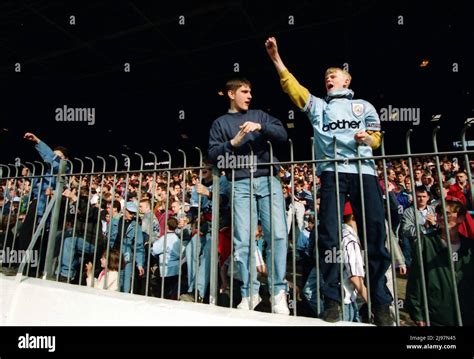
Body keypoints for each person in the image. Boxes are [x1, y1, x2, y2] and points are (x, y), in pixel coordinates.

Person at [265, 36, 393, 325]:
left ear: (346, 81)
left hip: (365, 174)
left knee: (375, 236)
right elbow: (293, 89)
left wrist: (367, 137)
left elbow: (376, 139)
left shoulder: (364, 106)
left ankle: (381, 303)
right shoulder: (319, 107)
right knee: (329, 237)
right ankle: (332, 299)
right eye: (326, 77)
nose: (328, 79)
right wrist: (276, 59)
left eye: (333, 75)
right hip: (333, 172)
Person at [208, 77, 290, 314]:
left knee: (278, 235)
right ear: (231, 94)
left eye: (251, 91)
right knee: (243, 240)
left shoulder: (260, 115)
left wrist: (261, 127)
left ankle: (277, 292)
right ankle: (249, 293)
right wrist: (233, 143)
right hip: (240, 183)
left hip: (267, 179)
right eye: (245, 91)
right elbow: (213, 155)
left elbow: (282, 134)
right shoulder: (220, 123)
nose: (250, 95)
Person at [406, 200, 474, 326]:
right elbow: (416, 279)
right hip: (436, 314)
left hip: (467, 312)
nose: (442, 217)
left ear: (460, 218)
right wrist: (417, 312)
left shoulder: (469, 247)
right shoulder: (425, 243)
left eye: (447, 214)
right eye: (439, 214)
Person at [110, 201, 145, 293]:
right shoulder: (114, 221)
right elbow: (109, 239)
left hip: (127, 257)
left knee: (125, 285)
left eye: (134, 213)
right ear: (124, 210)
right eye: (130, 212)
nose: (132, 215)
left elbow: (139, 245)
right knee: (113, 282)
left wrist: (140, 263)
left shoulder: (135, 226)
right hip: (114, 256)